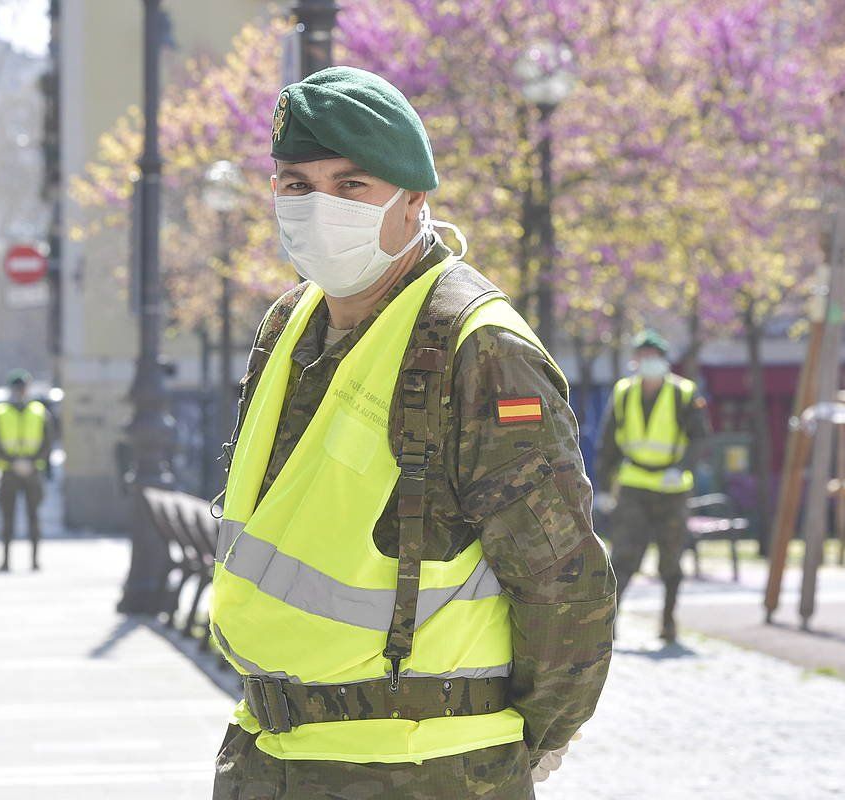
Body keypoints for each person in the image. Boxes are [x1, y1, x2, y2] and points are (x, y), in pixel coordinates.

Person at [209, 67, 615, 799]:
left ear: (412, 202)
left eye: (352, 185)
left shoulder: (480, 347)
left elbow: (565, 588)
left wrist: (519, 746)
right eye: (296, 185)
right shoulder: (288, 323)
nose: (317, 206)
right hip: (271, 752)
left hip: (428, 768)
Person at [595, 330, 712, 644]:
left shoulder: (683, 393)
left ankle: (668, 621)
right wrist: (604, 487)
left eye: (653, 357)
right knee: (623, 557)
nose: (648, 363)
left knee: (671, 560)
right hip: (634, 485)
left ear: (664, 360)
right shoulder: (623, 393)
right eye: (642, 357)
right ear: (635, 360)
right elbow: (608, 443)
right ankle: (610, 623)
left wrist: (681, 468)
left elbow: (700, 437)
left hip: (672, 489)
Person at [0, 370, 52, 572]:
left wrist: (31, 462)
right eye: (17, 388)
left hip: (32, 471)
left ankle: (35, 560)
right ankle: (6, 560)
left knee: (33, 517)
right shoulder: (1, 412)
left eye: (23, 388)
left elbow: (48, 442)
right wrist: (13, 462)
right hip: (9, 471)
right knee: (7, 518)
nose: (20, 392)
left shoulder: (39, 411)